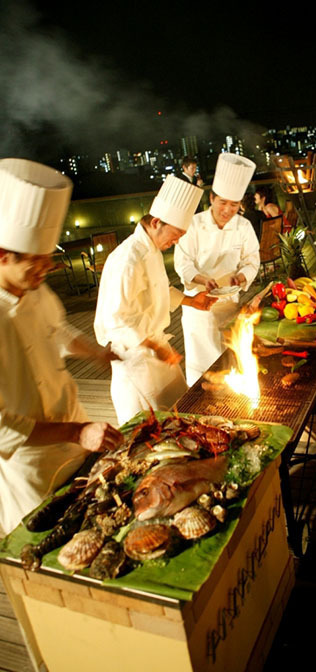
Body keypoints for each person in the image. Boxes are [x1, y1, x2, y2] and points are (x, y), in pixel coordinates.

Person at [0, 158, 123, 536]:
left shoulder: (35, 290)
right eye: (35, 261)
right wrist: (75, 432)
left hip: (78, 434)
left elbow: (58, 331)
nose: (46, 269)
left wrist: (96, 352)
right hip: (32, 464)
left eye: (47, 259)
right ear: (3, 256)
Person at [94, 175, 215, 425]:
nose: (177, 241)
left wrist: (191, 301)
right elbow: (116, 320)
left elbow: (157, 289)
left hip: (156, 350)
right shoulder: (129, 258)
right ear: (157, 222)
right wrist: (155, 347)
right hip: (134, 357)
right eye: (176, 234)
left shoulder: (151, 248)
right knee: (150, 429)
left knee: (181, 413)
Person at [174, 153, 260, 386]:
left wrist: (243, 275)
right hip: (198, 306)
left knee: (231, 362)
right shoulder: (193, 224)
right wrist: (202, 280)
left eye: (234, 205)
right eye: (223, 202)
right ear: (211, 198)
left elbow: (252, 259)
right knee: (201, 369)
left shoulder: (243, 226)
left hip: (230, 304)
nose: (227, 210)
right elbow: (183, 262)